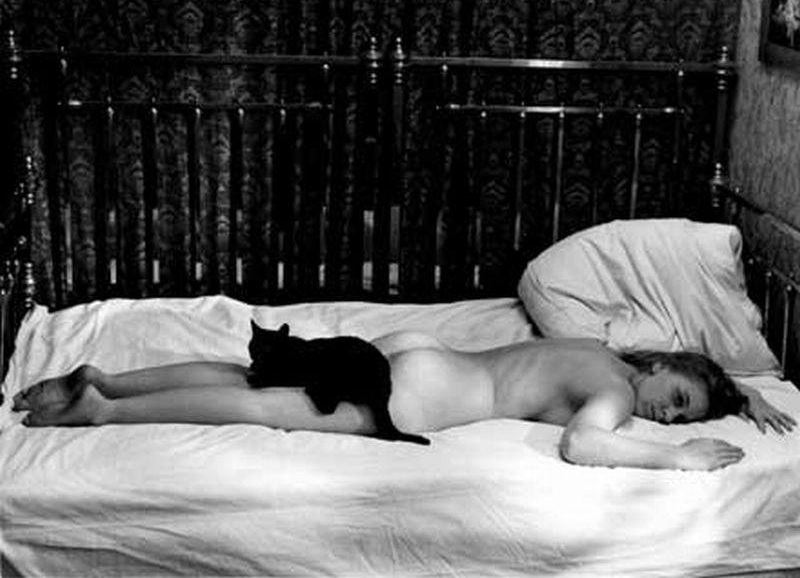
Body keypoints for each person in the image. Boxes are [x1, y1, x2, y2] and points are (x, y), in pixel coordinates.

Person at [12, 330, 795, 471]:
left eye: (681, 419)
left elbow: (694, 373)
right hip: (425, 396)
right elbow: (584, 443)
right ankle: (103, 409)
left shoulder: (600, 349)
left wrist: (743, 394)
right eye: (678, 398)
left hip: (421, 353)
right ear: (662, 368)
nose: (668, 416)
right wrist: (678, 459)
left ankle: (110, 377)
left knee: (261, 377)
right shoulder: (614, 388)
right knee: (266, 408)